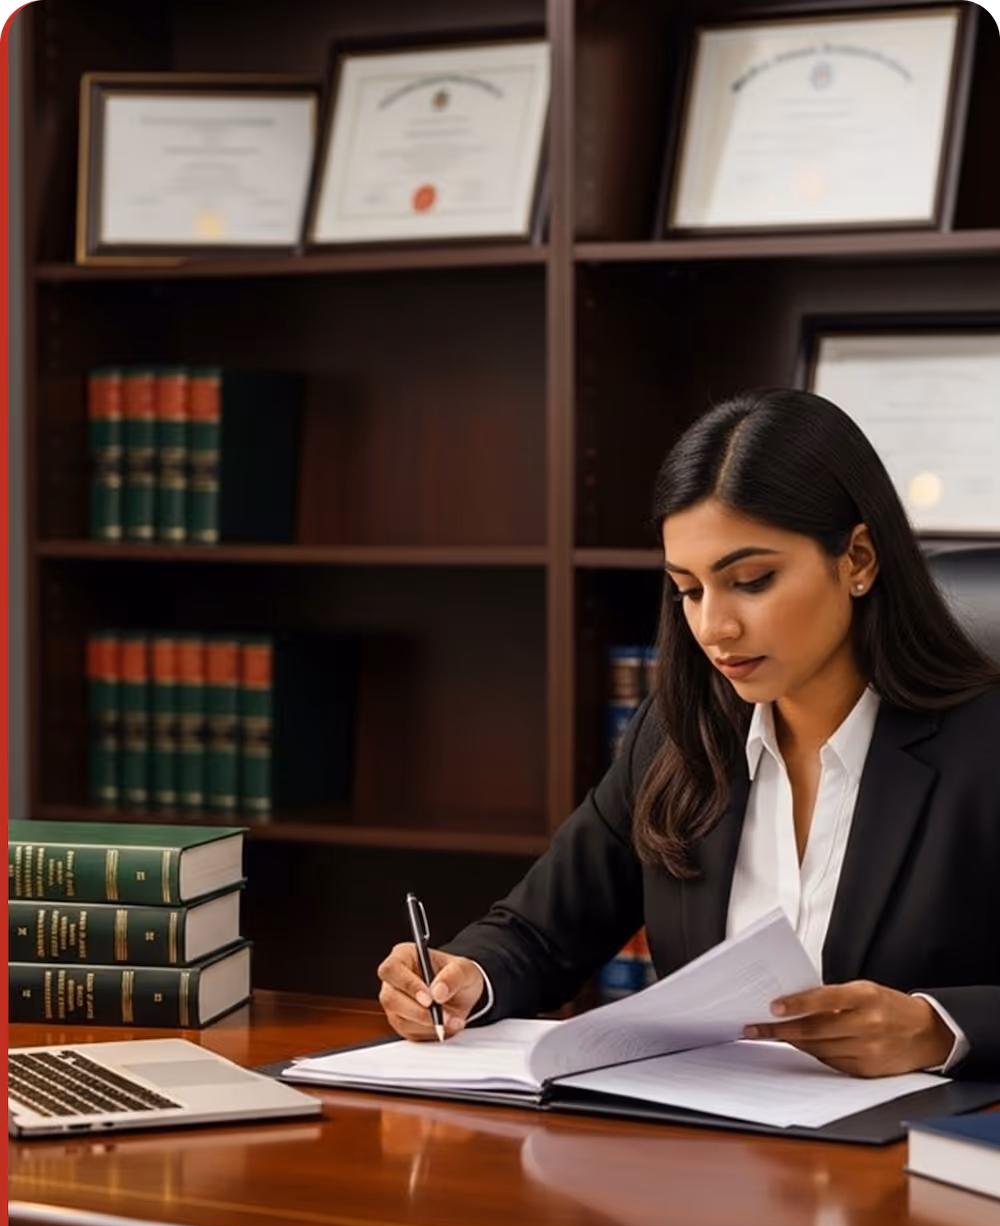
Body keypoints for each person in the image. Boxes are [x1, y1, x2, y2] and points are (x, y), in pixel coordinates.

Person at [377, 389, 1000, 1079]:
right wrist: (466, 978)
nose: (714, 628)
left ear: (857, 559)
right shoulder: (677, 736)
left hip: (912, 1163)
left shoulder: (983, 745)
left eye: (752, 581)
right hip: (708, 1155)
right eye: (690, 589)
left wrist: (941, 1030)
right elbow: (541, 933)